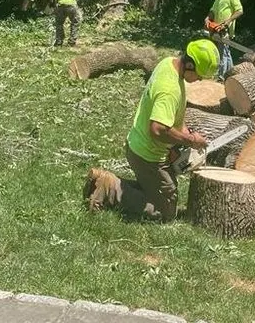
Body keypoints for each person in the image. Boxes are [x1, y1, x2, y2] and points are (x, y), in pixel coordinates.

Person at [85, 39, 219, 222]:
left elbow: (169, 118)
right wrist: (190, 141)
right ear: (189, 65)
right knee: (166, 213)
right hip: (148, 155)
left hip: (141, 145)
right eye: (199, 75)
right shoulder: (169, 90)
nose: (200, 80)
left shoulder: (169, 63)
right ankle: (111, 188)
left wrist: (178, 143)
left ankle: (104, 181)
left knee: (159, 193)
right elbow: (157, 129)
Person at [205, 0, 243, 81]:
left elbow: (239, 10)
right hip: (217, 27)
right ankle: (231, 73)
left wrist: (228, 21)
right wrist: (208, 18)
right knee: (226, 51)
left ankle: (222, 77)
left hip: (225, 29)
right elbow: (212, 10)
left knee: (222, 52)